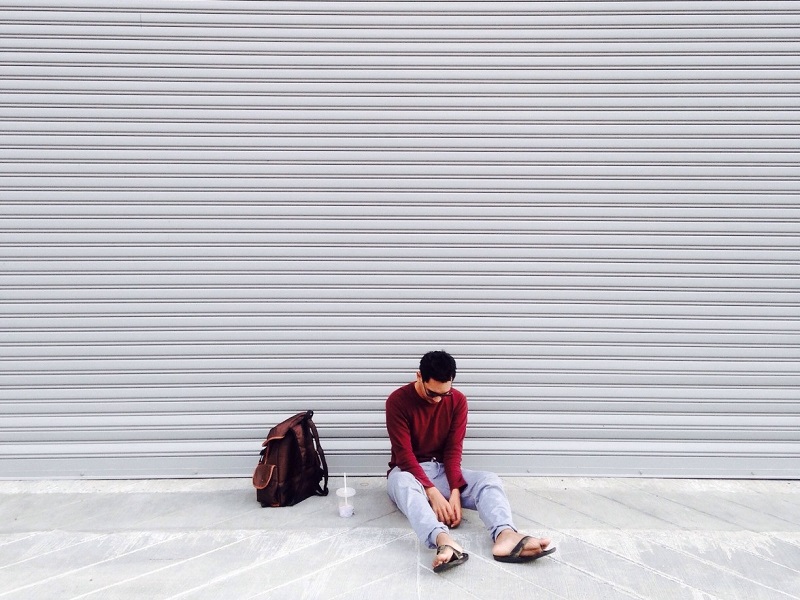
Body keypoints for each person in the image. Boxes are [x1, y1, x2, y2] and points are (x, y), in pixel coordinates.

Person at [385, 350, 555, 573]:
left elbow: (453, 451)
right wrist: (433, 493)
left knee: (488, 480)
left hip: (442, 471)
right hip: (408, 472)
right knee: (402, 483)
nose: (438, 400)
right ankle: (444, 541)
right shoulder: (397, 401)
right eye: (432, 393)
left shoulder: (457, 401)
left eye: (444, 394)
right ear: (419, 376)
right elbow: (404, 455)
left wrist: (455, 491)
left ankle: (505, 535)